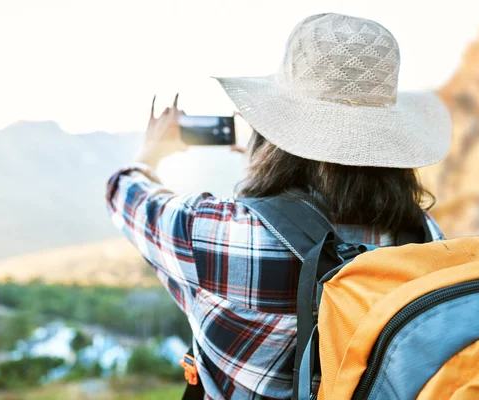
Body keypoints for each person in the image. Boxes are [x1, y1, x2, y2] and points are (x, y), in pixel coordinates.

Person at [106, 13, 452, 400]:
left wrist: (151, 153)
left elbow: (125, 192)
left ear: (274, 132)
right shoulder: (425, 238)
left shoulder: (214, 233)